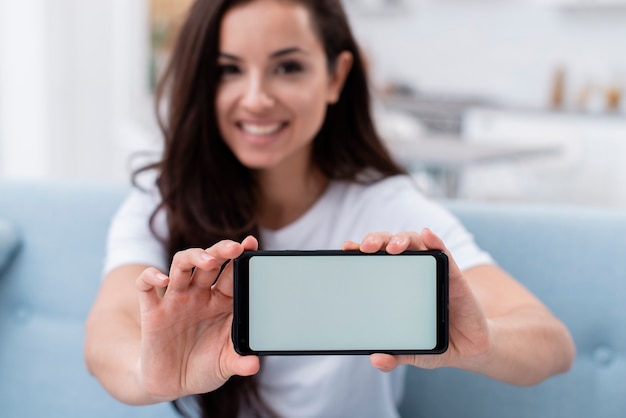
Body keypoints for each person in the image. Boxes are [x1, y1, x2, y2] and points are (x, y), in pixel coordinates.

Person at [84, 0, 576, 417]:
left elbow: (552, 345)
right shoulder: (162, 198)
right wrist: (150, 374)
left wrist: (482, 342)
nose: (255, 98)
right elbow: (109, 331)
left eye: (288, 67)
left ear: (336, 77)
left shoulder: (388, 208)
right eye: (228, 70)